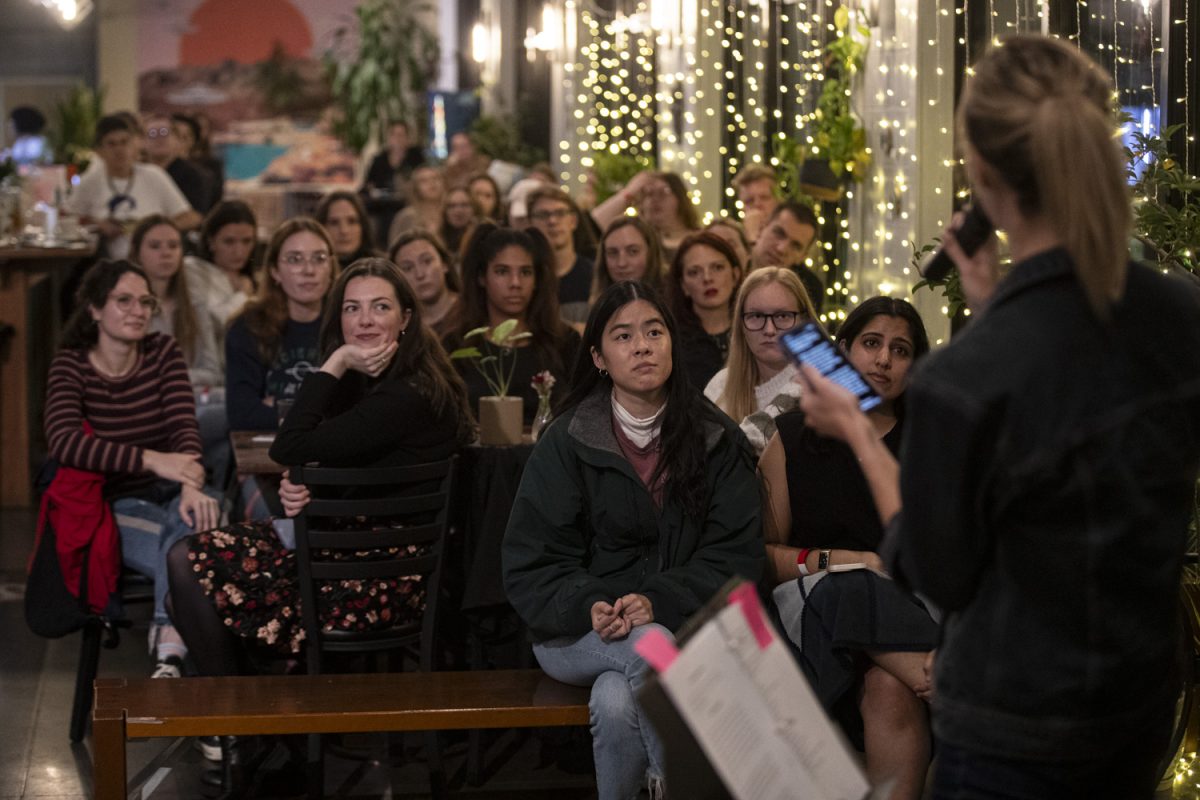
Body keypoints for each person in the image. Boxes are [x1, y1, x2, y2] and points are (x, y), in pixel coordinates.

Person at [796, 35, 1200, 798]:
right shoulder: (1178, 314)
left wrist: (854, 425)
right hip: (1138, 703)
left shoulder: (968, 375)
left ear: (981, 176)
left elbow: (936, 568)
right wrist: (993, 306)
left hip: (1017, 722)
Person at [167, 258, 473, 781]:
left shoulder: (402, 394)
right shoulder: (407, 380)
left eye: (380, 307)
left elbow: (289, 444)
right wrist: (306, 483)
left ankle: (243, 723)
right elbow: (346, 460)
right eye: (352, 308)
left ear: (406, 317)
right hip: (361, 561)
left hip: (366, 583)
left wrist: (332, 364)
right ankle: (257, 720)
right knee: (187, 583)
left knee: (184, 565)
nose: (365, 320)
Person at [503, 281, 764, 800]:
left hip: (685, 626)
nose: (642, 346)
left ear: (671, 343)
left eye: (654, 331)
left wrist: (658, 600)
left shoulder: (715, 438)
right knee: (650, 647)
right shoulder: (568, 440)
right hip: (574, 633)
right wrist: (589, 603)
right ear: (599, 357)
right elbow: (531, 562)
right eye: (623, 336)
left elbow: (737, 557)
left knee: (617, 702)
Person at [760, 296, 933, 799]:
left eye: (900, 350)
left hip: (910, 607)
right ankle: (942, 677)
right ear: (842, 351)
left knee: (888, 690)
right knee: (850, 585)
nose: (883, 360)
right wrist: (845, 561)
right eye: (871, 344)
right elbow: (763, 554)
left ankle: (921, 676)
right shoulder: (792, 435)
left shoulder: (928, 441)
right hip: (812, 610)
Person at [44, 260, 221, 678]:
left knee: (197, 520)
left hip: (174, 494)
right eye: (123, 300)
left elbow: (183, 425)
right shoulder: (71, 366)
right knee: (190, 550)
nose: (138, 310)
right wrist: (151, 459)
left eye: (145, 301)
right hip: (112, 507)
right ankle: (184, 658)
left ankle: (167, 652)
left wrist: (192, 483)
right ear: (93, 308)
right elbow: (65, 441)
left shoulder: (162, 352)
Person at [131, 215, 232, 488]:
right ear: (137, 253)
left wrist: (172, 379)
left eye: (173, 246)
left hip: (195, 401)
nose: (166, 253)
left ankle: (214, 509)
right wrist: (178, 380)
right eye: (155, 246)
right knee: (236, 414)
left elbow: (213, 372)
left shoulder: (194, 305)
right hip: (148, 409)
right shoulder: (130, 309)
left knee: (232, 408)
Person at [449, 223, 580, 423]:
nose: (515, 283)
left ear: (537, 279)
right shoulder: (457, 345)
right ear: (482, 277)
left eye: (526, 272)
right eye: (502, 271)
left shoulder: (564, 342)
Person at [225, 218, 337, 433]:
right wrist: (324, 413)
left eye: (319, 258)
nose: (308, 270)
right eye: (295, 259)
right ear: (275, 271)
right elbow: (242, 415)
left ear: (331, 268)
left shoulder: (349, 323)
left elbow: (362, 411)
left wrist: (280, 407)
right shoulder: (248, 327)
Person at [704, 267, 818, 453]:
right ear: (741, 324)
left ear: (803, 320)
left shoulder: (819, 386)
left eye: (782, 316)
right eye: (756, 316)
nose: (770, 330)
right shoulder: (720, 386)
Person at [65, 113, 201, 259]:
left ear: (136, 144)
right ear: (100, 151)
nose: (119, 150)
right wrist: (97, 225)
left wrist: (152, 230)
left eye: (125, 142)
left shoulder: (154, 176)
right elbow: (67, 217)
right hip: (105, 262)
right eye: (111, 144)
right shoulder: (90, 181)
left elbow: (191, 218)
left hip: (151, 260)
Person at [665, 231, 742, 390]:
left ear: (735, 275)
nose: (707, 278)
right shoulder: (670, 340)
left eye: (717, 267)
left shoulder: (754, 329)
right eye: (694, 272)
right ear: (683, 285)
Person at [590, 171, 700, 261]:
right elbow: (591, 225)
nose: (655, 199)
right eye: (649, 193)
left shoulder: (700, 238)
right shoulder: (638, 240)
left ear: (680, 199)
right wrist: (629, 192)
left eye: (663, 192)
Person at [185, 199, 259, 327]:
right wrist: (242, 295)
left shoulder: (253, 281)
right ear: (211, 241)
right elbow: (212, 324)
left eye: (247, 241)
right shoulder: (192, 270)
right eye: (229, 242)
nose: (239, 252)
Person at [527, 186, 594, 325]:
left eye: (560, 213)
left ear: (573, 221)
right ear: (530, 223)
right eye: (543, 215)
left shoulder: (594, 275)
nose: (552, 221)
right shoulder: (524, 278)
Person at [389, 230, 463, 340]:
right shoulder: (402, 328)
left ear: (444, 264)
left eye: (427, 261)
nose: (420, 274)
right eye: (408, 268)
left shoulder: (473, 309)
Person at [143, 112, 215, 215]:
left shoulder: (193, 175)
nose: (159, 139)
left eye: (164, 132)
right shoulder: (137, 173)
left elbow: (195, 216)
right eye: (152, 133)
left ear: (177, 139)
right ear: (142, 141)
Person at [590, 217, 667, 303]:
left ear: (651, 253)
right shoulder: (598, 304)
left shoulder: (675, 301)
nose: (621, 263)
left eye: (633, 251)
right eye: (613, 253)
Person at [315, 190, 377, 265]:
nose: (344, 231)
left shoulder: (382, 269)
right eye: (334, 223)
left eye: (352, 221)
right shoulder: (310, 269)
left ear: (363, 226)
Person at [387, 165, 444, 243]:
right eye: (424, 181)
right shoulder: (406, 217)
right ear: (415, 187)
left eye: (435, 178)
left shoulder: (449, 213)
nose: (432, 183)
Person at [732, 164, 780, 243]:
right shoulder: (734, 241)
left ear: (777, 200)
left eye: (764, 197)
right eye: (749, 201)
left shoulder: (790, 236)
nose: (757, 204)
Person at [439, 185, 477, 257]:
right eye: (452, 206)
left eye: (464, 205)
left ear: (474, 208)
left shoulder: (482, 238)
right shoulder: (437, 241)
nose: (458, 211)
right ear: (444, 211)